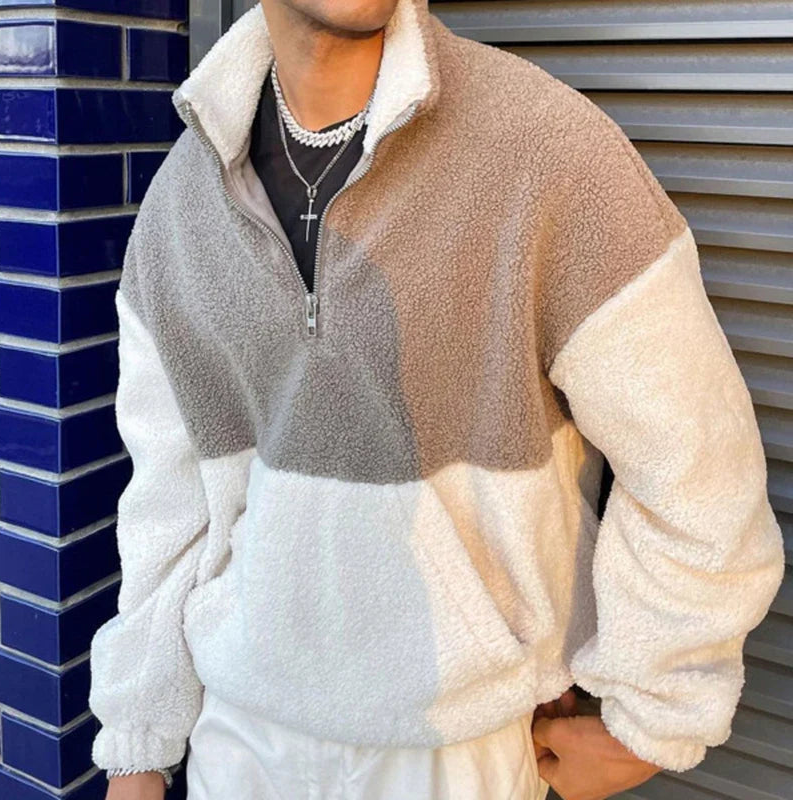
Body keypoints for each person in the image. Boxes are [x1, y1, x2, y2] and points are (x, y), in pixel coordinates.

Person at [87, 1, 786, 798]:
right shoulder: (186, 198)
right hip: (241, 740)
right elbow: (170, 505)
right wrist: (137, 744)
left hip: (463, 749)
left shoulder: (546, 150)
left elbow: (698, 461)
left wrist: (656, 717)